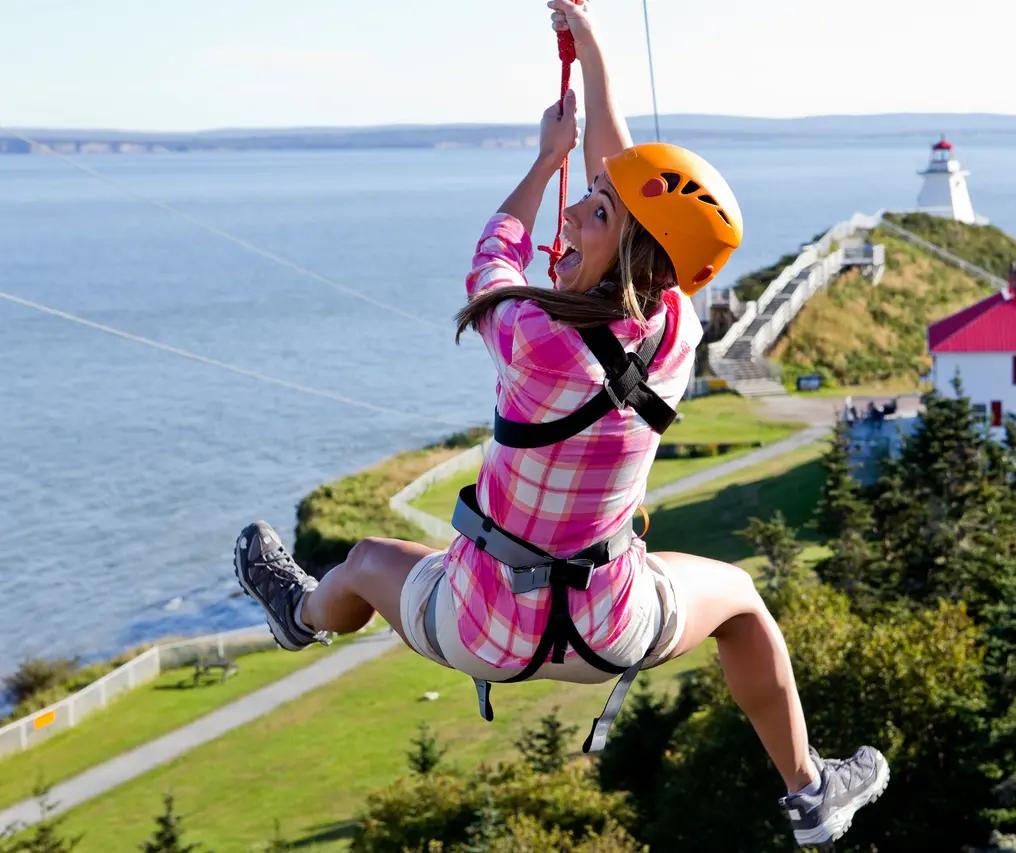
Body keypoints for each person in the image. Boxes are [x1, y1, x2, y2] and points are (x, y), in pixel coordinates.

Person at [232, 1, 887, 846]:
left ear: (634, 248)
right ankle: (809, 790)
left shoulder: (534, 338)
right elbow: (630, 182)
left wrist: (545, 161)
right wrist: (594, 49)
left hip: (483, 626)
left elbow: (493, 254)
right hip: (613, 628)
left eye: (595, 212)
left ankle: (296, 614)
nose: (575, 215)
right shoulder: (678, 329)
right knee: (745, 605)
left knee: (360, 563)